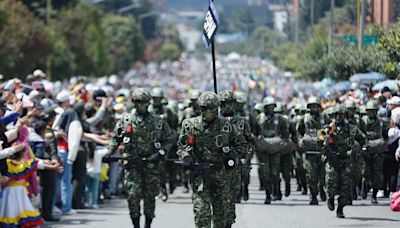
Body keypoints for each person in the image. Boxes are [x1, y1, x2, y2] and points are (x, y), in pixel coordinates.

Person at [177, 91, 244, 228]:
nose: (207, 111)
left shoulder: (226, 126)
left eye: (210, 108)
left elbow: (241, 145)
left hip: (220, 174)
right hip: (200, 174)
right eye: (203, 108)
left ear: (216, 108)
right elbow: (182, 146)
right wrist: (186, 157)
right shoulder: (190, 124)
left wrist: (232, 155)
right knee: (202, 212)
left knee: (221, 215)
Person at [108, 88, 173, 228]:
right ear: (133, 102)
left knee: (150, 198)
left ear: (148, 103)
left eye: (143, 102)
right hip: (132, 165)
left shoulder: (158, 121)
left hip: (151, 164)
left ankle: (148, 225)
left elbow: (169, 139)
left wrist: (160, 153)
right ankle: (136, 225)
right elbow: (116, 138)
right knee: (133, 196)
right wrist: (109, 152)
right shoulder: (126, 120)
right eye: (138, 102)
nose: (141, 105)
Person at [319, 106, 367, 218]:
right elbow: (320, 142)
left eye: (340, 115)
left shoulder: (352, 129)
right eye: (335, 115)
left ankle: (340, 209)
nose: (338, 117)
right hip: (332, 160)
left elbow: (363, 139)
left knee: (345, 186)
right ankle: (330, 198)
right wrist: (325, 150)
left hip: (346, 160)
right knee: (331, 182)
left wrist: (363, 148)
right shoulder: (328, 129)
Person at [219, 91, 252, 227]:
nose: (226, 106)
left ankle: (228, 223)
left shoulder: (242, 122)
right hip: (217, 164)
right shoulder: (214, 122)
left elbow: (249, 142)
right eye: (223, 104)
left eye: (229, 103)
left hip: (234, 165)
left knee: (230, 197)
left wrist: (245, 157)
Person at [255, 97, 290, 204]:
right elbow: (253, 132)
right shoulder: (258, 118)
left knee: (275, 172)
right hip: (263, 148)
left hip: (276, 148)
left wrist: (283, 143)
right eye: (268, 107)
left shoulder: (280, 119)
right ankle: (268, 194)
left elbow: (285, 133)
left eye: (272, 107)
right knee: (265, 173)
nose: (270, 109)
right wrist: (257, 143)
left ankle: (276, 189)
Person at [298, 96, 327, 205]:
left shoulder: (324, 117)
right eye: (312, 106)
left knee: (323, 174)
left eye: (316, 106)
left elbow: (330, 129)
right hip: (309, 151)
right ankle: (313, 195)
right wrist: (300, 139)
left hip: (322, 150)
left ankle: (321, 188)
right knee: (311, 175)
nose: (314, 108)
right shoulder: (304, 118)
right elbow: (298, 130)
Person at [360, 100, 387, 204]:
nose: (371, 113)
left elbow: (385, 134)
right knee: (365, 171)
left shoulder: (381, 122)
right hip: (366, 149)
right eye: (369, 111)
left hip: (378, 151)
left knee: (377, 174)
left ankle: (374, 195)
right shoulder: (363, 121)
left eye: (373, 111)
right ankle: (364, 186)